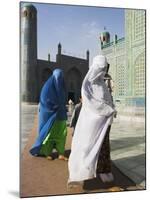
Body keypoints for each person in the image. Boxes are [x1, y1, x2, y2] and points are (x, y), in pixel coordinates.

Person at [68, 55, 116, 187]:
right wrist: (108, 109)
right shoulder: (88, 84)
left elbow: (107, 99)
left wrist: (111, 108)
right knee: (89, 146)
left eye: (104, 68)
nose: (103, 71)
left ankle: (103, 171)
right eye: (101, 68)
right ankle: (84, 171)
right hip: (92, 124)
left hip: (104, 123)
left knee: (103, 147)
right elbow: (92, 104)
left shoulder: (101, 84)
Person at [29, 69, 68, 161]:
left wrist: (61, 106)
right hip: (51, 116)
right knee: (49, 134)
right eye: (58, 78)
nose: (59, 80)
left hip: (61, 114)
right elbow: (44, 101)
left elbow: (63, 99)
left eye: (61, 78)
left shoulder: (62, 87)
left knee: (62, 134)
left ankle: (61, 153)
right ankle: (47, 153)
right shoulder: (47, 88)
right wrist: (54, 106)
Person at [96, 63, 116, 183]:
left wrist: (112, 109)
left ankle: (105, 169)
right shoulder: (95, 80)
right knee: (100, 144)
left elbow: (110, 95)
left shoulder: (107, 79)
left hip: (107, 117)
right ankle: (100, 170)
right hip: (98, 118)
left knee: (105, 144)